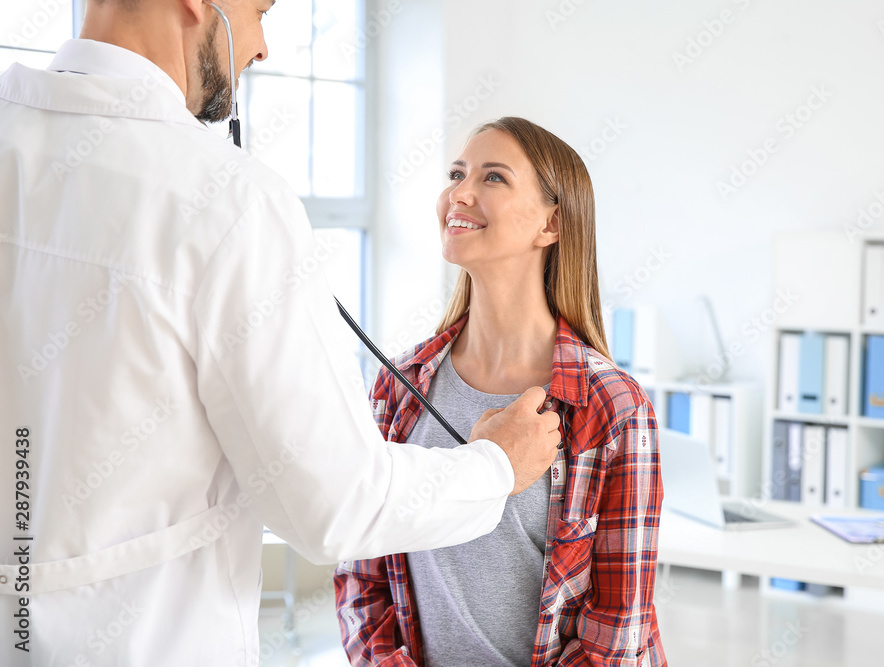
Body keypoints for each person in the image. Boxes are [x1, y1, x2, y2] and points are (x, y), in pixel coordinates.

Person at [0, 1, 560, 664]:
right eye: (260, 10)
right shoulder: (225, 203)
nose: (261, 47)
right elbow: (335, 504)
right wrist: (496, 466)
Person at [335, 117, 666, 666]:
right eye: (456, 173)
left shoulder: (613, 406)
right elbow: (360, 576)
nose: (458, 193)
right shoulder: (399, 385)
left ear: (551, 223)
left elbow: (616, 632)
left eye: (493, 178)